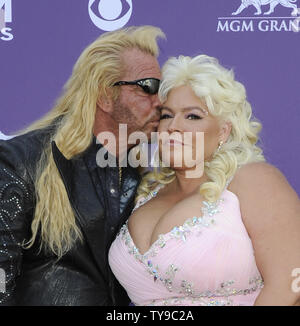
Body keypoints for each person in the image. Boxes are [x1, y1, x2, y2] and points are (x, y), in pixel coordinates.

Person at [108, 54, 300, 306]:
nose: (173, 126)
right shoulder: (145, 193)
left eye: (192, 116)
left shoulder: (253, 180)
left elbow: (289, 287)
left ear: (223, 131)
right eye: (166, 115)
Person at [0, 25, 164, 305]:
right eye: (148, 87)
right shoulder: (23, 161)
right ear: (104, 96)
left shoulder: (143, 177)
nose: (160, 102)